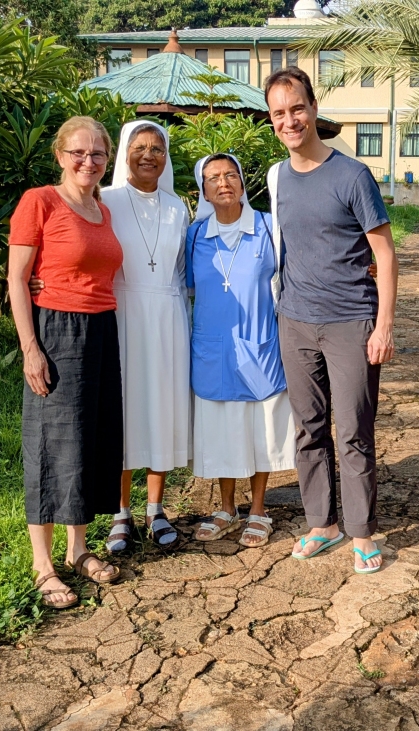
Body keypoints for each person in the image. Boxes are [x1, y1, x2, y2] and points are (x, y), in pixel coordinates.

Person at [264, 67, 399, 574]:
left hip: (350, 322)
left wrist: (383, 325)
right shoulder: (277, 178)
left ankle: (362, 530)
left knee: (355, 433)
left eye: (296, 108)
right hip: (295, 321)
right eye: (279, 113)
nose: (290, 120)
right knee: (309, 429)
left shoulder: (352, 176)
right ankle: (322, 524)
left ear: (314, 108)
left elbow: (384, 254)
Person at [8, 115, 124, 609]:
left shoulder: (102, 209)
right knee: (52, 441)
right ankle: (42, 564)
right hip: (57, 330)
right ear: (60, 155)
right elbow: (16, 279)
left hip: (102, 330)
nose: (88, 161)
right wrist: (31, 348)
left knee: (91, 440)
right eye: (78, 152)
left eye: (97, 153)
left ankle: (79, 549)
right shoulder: (40, 201)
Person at [186, 153, 296, 548]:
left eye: (230, 174)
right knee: (221, 431)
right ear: (203, 190)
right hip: (214, 349)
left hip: (260, 343)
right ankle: (227, 507)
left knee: (259, 430)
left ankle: (259, 508)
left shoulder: (267, 228)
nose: (223, 182)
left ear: (243, 183)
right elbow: (181, 286)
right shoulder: (196, 236)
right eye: (213, 177)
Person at [105, 120, 192, 551]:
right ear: (124, 153)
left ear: (166, 156)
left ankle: (156, 510)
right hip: (122, 314)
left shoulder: (179, 208)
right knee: (124, 413)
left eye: (157, 148)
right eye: (138, 147)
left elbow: (181, 273)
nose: (148, 155)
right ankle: (120, 513)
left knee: (161, 410)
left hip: (168, 317)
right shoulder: (106, 201)